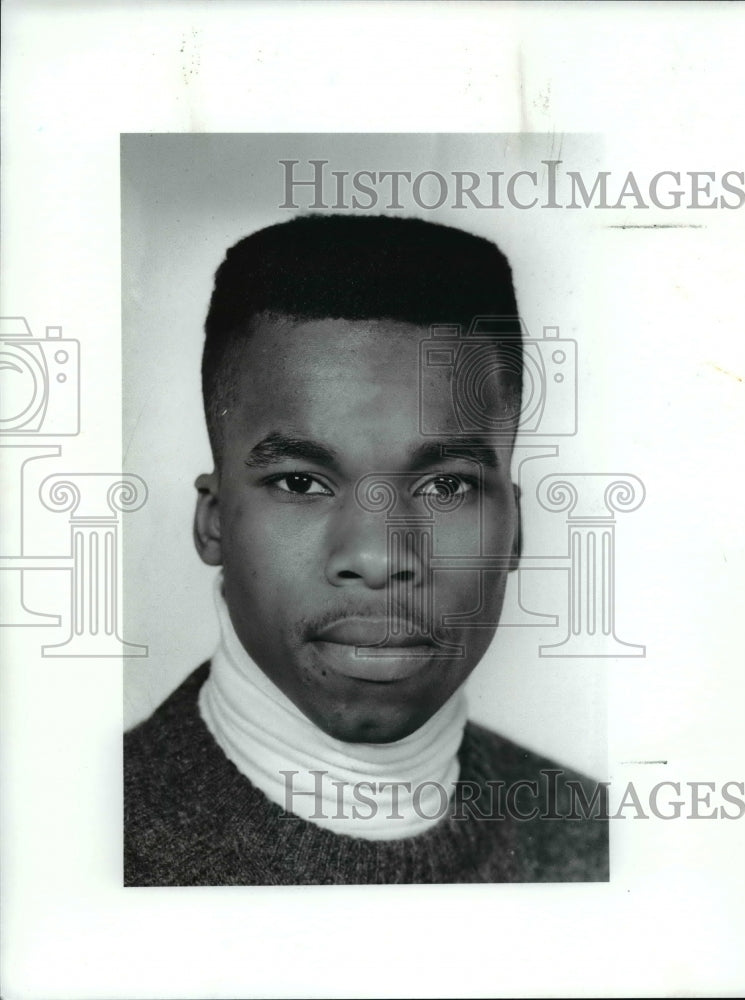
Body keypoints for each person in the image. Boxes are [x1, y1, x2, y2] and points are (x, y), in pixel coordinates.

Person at [124, 213, 608, 886]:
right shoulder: (59, 849)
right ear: (212, 523)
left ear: (516, 532)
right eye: (301, 482)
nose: (380, 558)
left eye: (447, 485)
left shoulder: (598, 843)